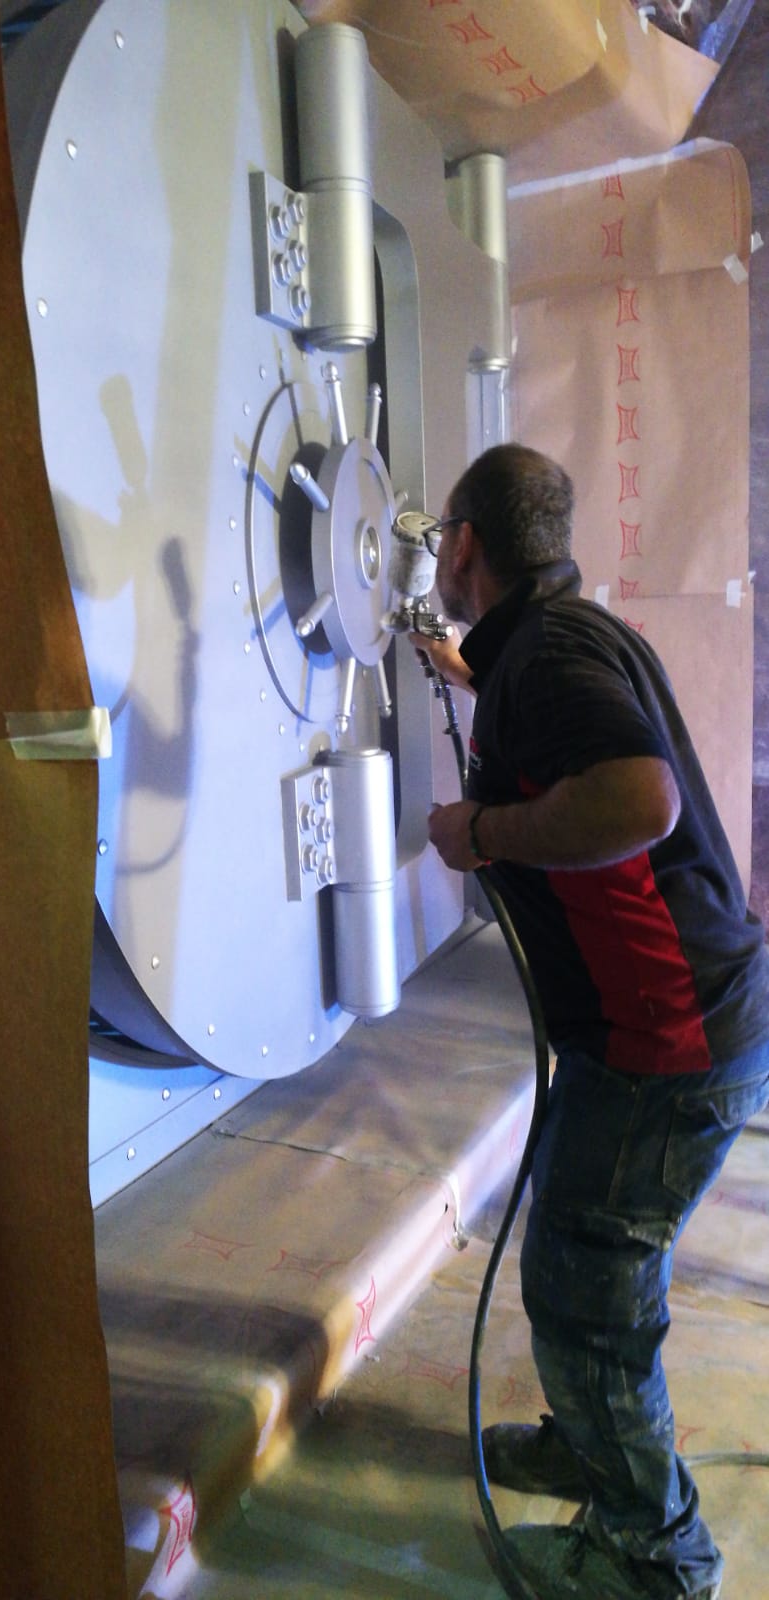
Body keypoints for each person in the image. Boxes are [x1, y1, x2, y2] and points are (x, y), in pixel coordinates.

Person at [415, 442, 769, 1600]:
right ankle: (593, 1437)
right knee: (590, 1257)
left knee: (586, 1283)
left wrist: (481, 832)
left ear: (467, 545)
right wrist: (471, 680)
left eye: (440, 542)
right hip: (669, 1023)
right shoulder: (559, 643)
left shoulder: (551, 657)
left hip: (669, 1039)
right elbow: (576, 737)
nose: (438, 557)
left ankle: (657, 1554)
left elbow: (637, 798)